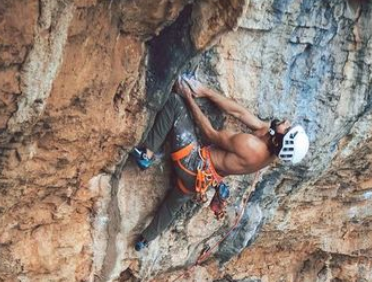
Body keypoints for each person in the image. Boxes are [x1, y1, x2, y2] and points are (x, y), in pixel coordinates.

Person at [131, 75, 309, 250]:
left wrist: (187, 97)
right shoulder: (270, 144)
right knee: (174, 203)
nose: (287, 122)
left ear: (279, 141)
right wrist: (206, 92)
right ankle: (145, 240)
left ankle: (146, 155)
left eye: (287, 128)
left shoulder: (250, 146)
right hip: (200, 182)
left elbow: (210, 133)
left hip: (193, 164)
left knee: (174, 103)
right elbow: (239, 112)